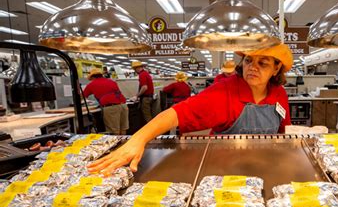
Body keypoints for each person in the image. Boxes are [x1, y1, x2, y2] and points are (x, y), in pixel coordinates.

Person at [87, 43, 293, 175]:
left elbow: (284, 133)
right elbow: (175, 113)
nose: (252, 67)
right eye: (248, 60)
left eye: (263, 63)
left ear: (276, 68)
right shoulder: (225, 91)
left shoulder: (279, 94)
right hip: (225, 170)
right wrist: (138, 139)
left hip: (265, 168)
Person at [83, 68, 129, 135]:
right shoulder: (111, 81)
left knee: (114, 131)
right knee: (123, 128)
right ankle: (125, 144)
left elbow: (82, 96)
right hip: (123, 106)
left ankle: (118, 145)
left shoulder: (92, 84)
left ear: (92, 77)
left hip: (111, 108)